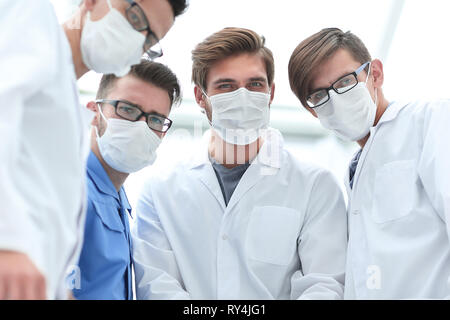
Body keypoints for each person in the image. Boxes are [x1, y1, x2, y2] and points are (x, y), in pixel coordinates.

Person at [132, 27, 348, 300]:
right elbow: (155, 284)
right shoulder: (160, 190)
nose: (243, 96)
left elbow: (325, 285)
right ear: (201, 97)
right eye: (227, 86)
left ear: (270, 93)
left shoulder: (316, 186)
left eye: (255, 84)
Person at [0, 0, 187, 300]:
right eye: (135, 16)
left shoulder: (66, 116)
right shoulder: (30, 17)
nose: (137, 39)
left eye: (149, 39)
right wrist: (8, 244)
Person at [288, 28, 450, 299]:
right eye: (319, 95)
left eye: (344, 83)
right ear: (312, 111)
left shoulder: (431, 121)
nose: (335, 100)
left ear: (374, 74)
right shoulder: (355, 169)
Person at [73, 60, 181, 300]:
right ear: (93, 112)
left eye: (155, 119)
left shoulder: (116, 197)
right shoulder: (70, 189)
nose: (141, 127)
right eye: (128, 110)